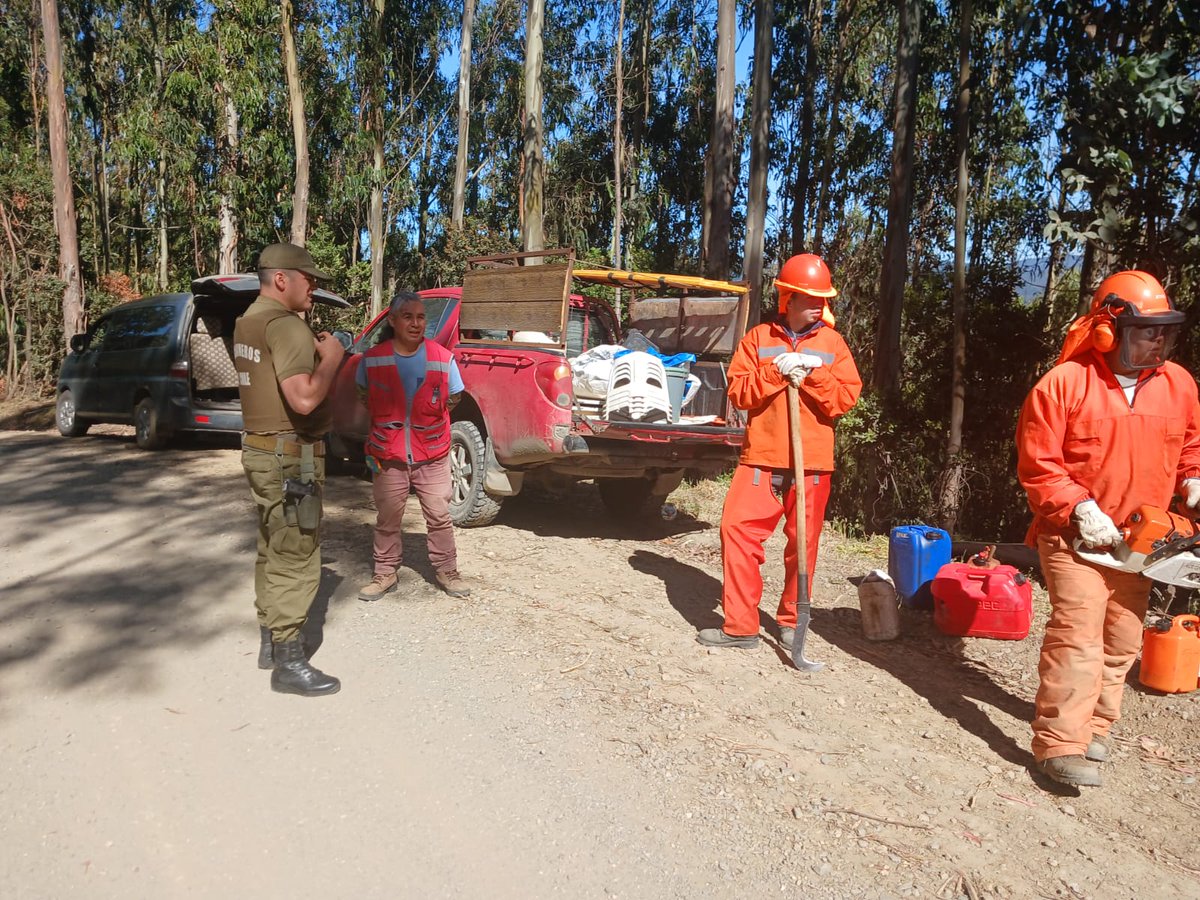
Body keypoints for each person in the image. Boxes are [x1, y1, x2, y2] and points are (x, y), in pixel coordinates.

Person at [1016, 269, 1200, 788]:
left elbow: (1191, 445)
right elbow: (1038, 465)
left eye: (1165, 331)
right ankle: (1059, 744)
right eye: (1148, 331)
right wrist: (1076, 506)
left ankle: (1094, 726)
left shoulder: (1179, 385)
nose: (1159, 341)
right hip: (1074, 537)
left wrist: (1194, 478)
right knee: (1078, 635)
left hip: (1143, 542)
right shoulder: (1065, 384)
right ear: (1109, 330)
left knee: (1120, 639)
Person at [697, 254, 862, 661]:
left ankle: (792, 624)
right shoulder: (758, 339)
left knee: (802, 546)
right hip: (762, 459)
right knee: (736, 532)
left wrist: (812, 373)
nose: (819, 307)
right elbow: (738, 393)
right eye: (810, 299)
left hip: (813, 464)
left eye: (822, 300)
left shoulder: (833, 344)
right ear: (787, 298)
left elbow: (844, 399)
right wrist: (775, 372)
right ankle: (740, 627)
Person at [234, 243, 345, 697]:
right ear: (282, 279)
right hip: (290, 456)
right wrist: (333, 359)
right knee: (296, 554)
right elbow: (302, 399)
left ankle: (269, 641)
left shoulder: (248, 321)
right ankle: (289, 660)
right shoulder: (286, 327)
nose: (313, 287)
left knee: (270, 546)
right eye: (308, 279)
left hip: (261, 452)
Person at [356, 292, 472, 601]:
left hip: (431, 453)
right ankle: (384, 573)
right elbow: (364, 396)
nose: (416, 323)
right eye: (407, 317)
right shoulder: (373, 358)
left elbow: (454, 396)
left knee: (439, 514)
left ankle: (447, 570)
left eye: (421, 317)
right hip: (385, 454)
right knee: (387, 516)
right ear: (392, 321)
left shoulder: (443, 358)